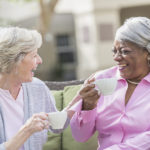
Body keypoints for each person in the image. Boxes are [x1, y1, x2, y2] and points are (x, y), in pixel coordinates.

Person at [70, 16, 150, 150]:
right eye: (115, 51)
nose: (116, 58)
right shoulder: (102, 79)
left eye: (125, 51)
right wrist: (88, 106)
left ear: (147, 53)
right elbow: (80, 136)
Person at [0, 27, 69, 150]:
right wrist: (27, 130)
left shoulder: (37, 88)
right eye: (34, 55)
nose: (40, 61)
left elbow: (56, 125)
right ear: (14, 60)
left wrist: (80, 99)